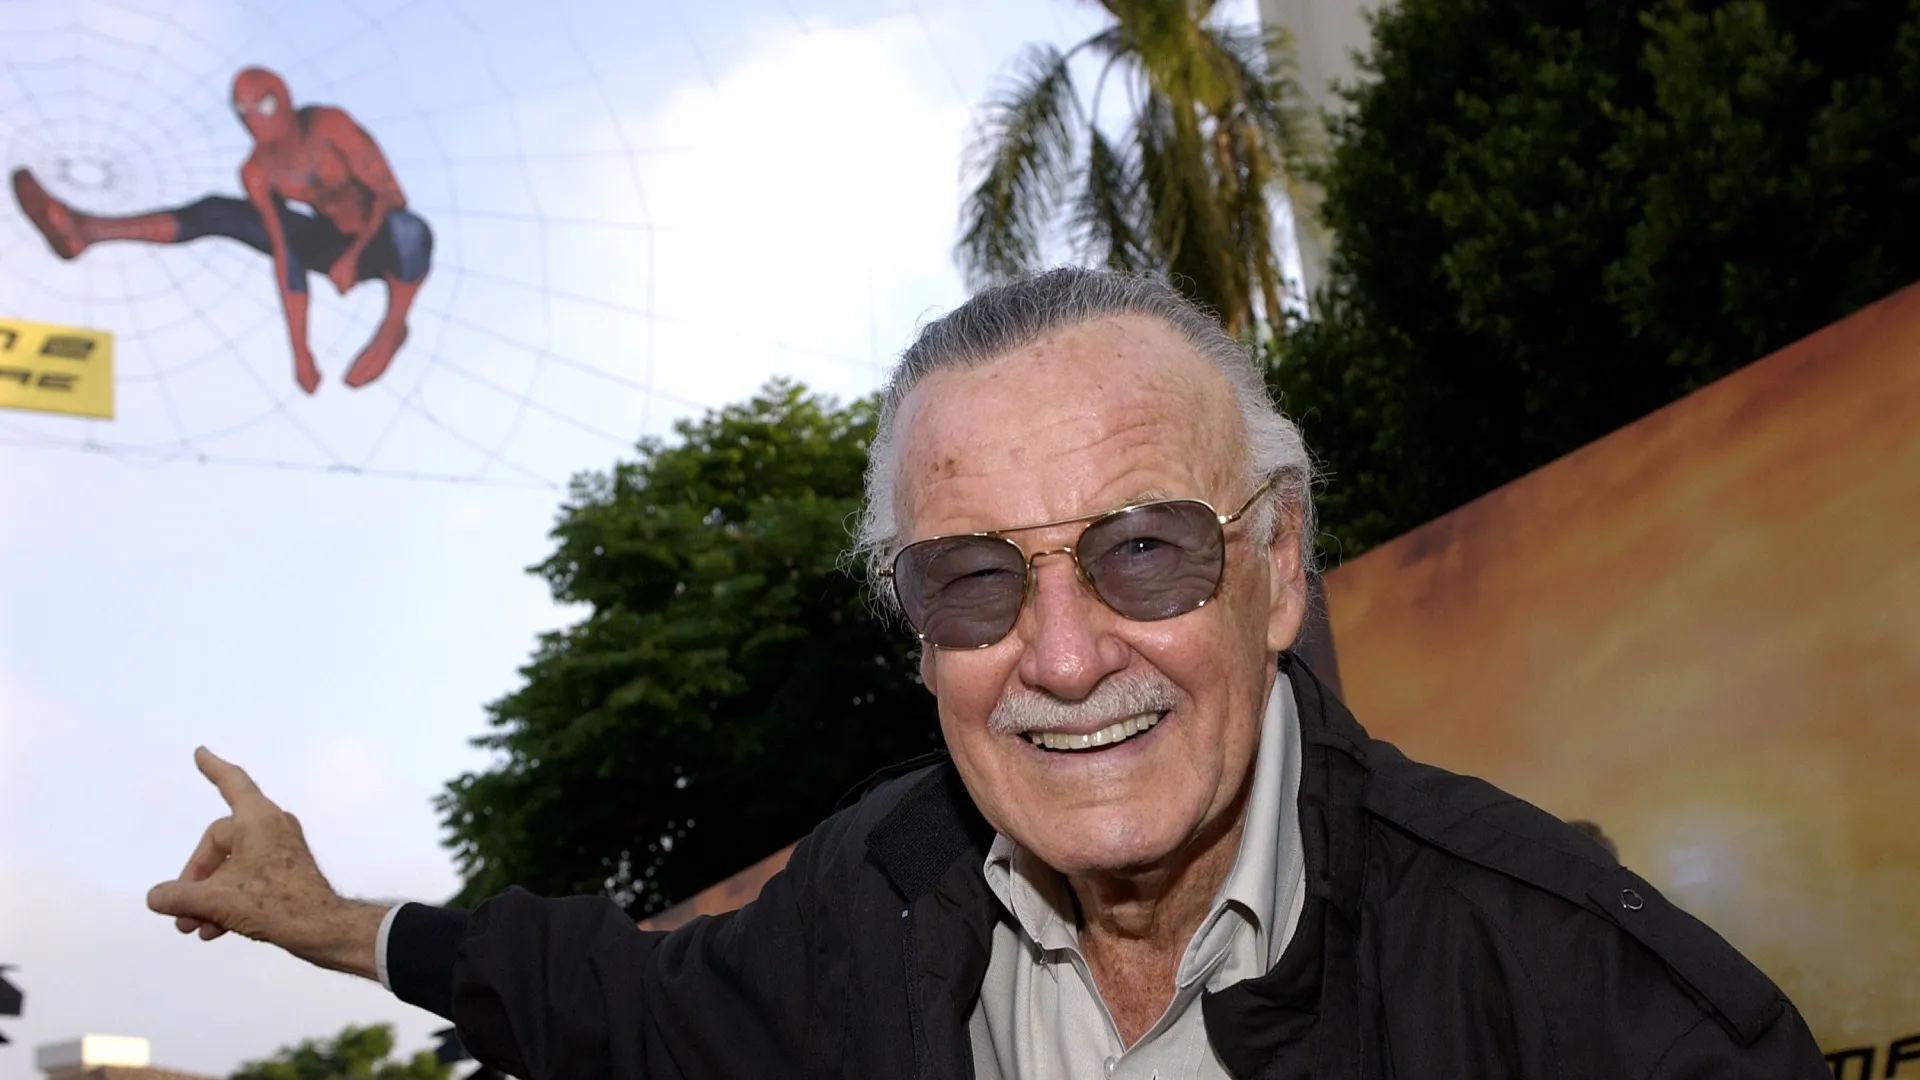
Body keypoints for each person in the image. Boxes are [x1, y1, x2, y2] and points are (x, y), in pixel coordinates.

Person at [147, 269, 1828, 1078]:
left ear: (1280, 566)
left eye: (1144, 548)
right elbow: (623, 1003)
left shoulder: (1572, 992)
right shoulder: (871, 901)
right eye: (974, 584)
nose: (1067, 653)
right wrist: (336, 921)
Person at [10, 66, 431, 395]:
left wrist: (353, 257)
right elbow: (287, 256)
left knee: (413, 230)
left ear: (283, 99)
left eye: (264, 106)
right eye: (244, 112)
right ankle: (87, 230)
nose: (256, 120)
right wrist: (300, 351)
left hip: (380, 238)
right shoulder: (256, 170)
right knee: (219, 211)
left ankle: (393, 326)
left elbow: (390, 198)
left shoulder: (329, 125)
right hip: (329, 241)